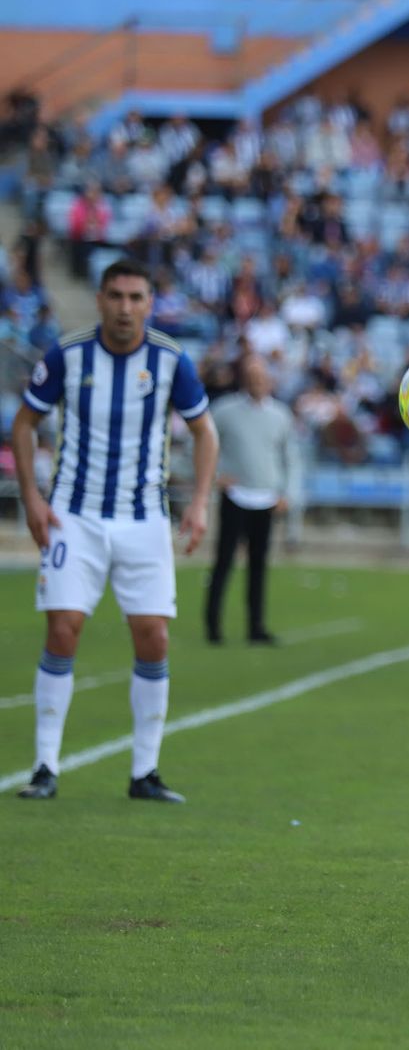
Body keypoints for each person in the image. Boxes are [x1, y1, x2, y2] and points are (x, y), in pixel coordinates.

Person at [11, 258, 217, 802]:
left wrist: (197, 502)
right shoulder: (67, 354)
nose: (125, 308)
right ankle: (44, 767)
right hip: (73, 516)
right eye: (116, 296)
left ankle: (144, 773)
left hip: (144, 519)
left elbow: (205, 432)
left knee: (154, 636)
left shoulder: (170, 361)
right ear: (101, 299)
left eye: (136, 298)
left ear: (150, 304)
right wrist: (32, 496)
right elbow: (25, 422)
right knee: (63, 629)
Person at [205, 354, 298, 645]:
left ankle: (256, 627)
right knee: (224, 561)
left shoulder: (281, 415)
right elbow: (203, 443)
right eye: (252, 377)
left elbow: (290, 458)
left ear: (270, 381)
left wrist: (287, 492)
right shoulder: (224, 411)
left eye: (262, 378)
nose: (257, 382)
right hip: (236, 495)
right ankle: (213, 626)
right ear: (244, 379)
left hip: (266, 498)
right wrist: (215, 475)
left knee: (258, 565)